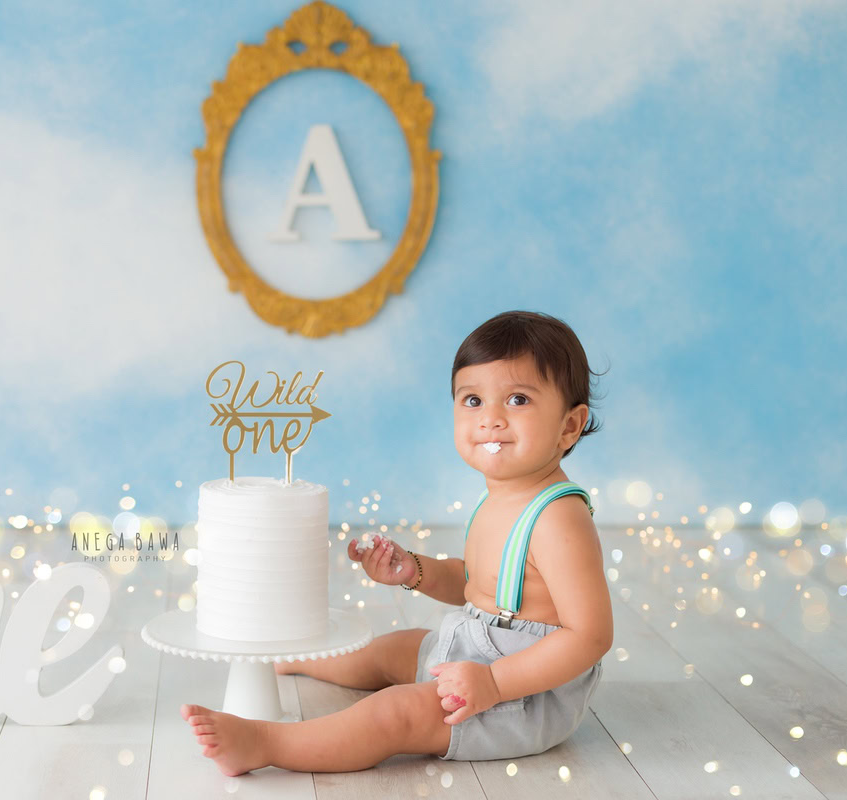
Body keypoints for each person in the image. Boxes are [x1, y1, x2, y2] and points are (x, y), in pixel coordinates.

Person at [180, 310, 613, 775]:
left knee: (398, 712)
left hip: (527, 692)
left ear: (569, 427)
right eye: (472, 400)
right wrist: (415, 572)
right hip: (478, 649)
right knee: (395, 648)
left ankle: (265, 741)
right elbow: (478, 584)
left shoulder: (558, 518)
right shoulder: (504, 496)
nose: (490, 419)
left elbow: (589, 636)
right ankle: (295, 661)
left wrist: (492, 681)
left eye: (518, 399)